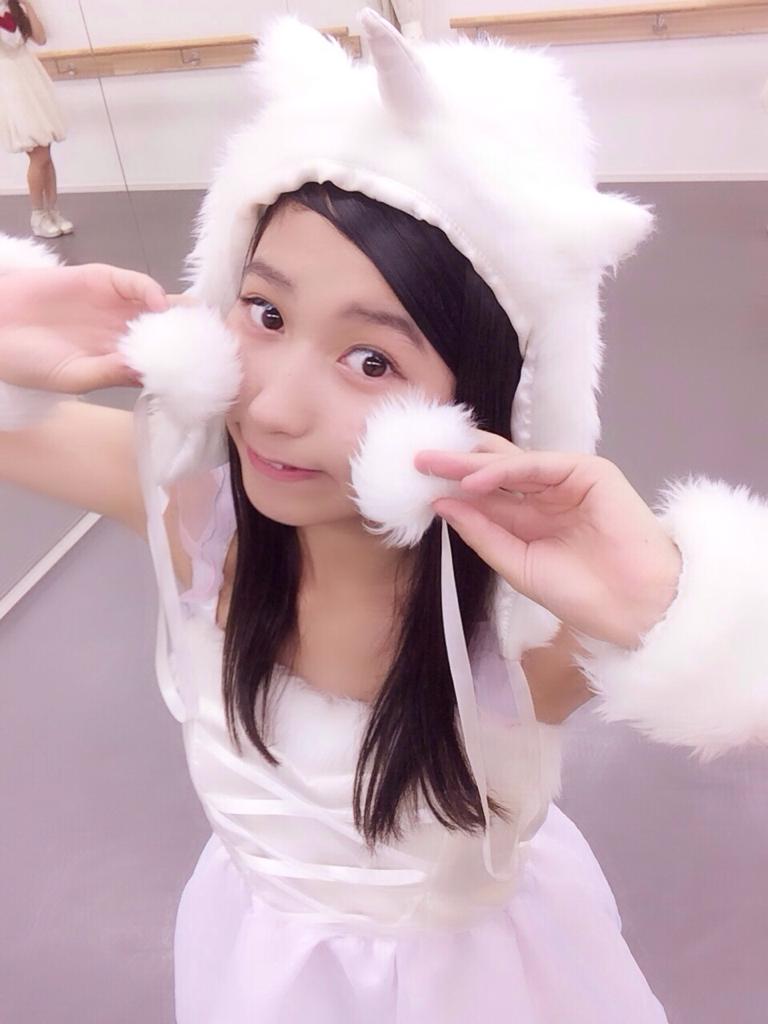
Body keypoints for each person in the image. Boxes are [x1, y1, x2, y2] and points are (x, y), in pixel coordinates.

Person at [1, 10, 766, 1022]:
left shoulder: (523, 632)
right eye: (266, 313)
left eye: (372, 359)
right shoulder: (196, 516)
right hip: (256, 968)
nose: (275, 407)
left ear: (487, 406)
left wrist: (682, 608)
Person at [0, 0, 72, 238]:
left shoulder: (17, 9)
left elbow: (40, 38)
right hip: (9, 84)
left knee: (46, 153)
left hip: (31, 78)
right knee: (38, 154)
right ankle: (38, 215)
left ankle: (52, 210)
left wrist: (28, 6)